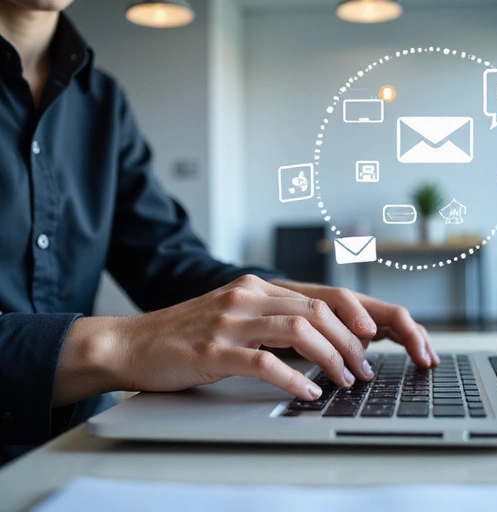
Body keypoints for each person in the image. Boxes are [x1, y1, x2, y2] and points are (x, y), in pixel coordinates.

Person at [0, 0, 439, 464]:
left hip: (82, 443)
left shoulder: (102, 101)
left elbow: (165, 260)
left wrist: (281, 302)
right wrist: (125, 344)